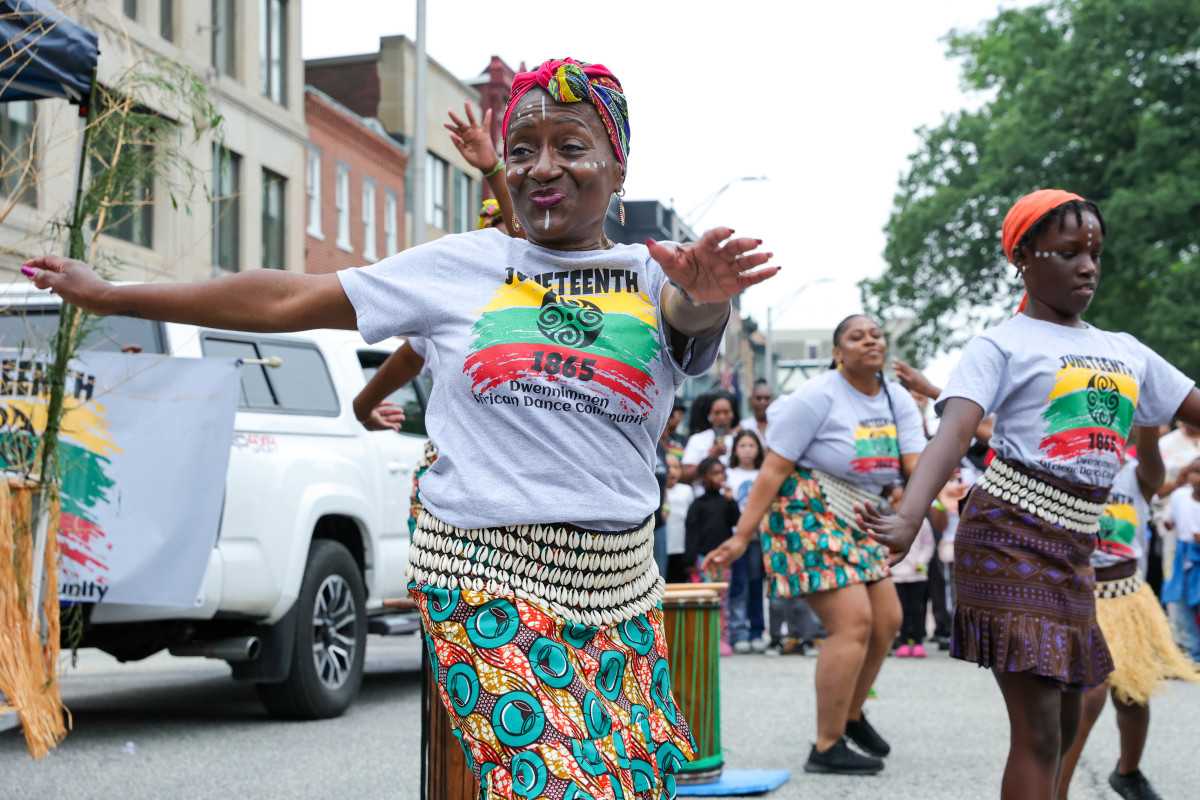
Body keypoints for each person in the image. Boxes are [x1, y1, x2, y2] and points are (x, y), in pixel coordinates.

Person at [22, 56, 780, 798]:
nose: (541, 167)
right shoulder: (461, 267)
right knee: (556, 785)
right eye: (522, 150)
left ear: (618, 167)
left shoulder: (652, 276)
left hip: (619, 587)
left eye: (570, 146)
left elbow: (688, 318)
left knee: (632, 784)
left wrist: (709, 297)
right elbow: (287, 299)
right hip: (487, 576)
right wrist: (117, 295)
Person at [858, 189, 1200, 800]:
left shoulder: (1125, 349)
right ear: (1022, 258)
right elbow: (954, 432)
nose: (1088, 267)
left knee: (1065, 721)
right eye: (1068, 253)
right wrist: (909, 516)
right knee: (1040, 728)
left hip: (1076, 552)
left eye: (1094, 253)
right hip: (1008, 539)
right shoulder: (1002, 344)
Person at [703, 313, 926, 775]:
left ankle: (850, 715)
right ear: (837, 353)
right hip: (805, 508)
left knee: (888, 620)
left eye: (876, 335)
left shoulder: (897, 398)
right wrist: (742, 535)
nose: (870, 341)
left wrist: (913, 517)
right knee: (853, 621)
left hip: (861, 514)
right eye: (856, 337)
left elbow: (916, 466)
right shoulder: (817, 395)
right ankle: (826, 745)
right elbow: (773, 468)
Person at [1058, 427, 1199, 800]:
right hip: (1081, 597)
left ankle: (1128, 773)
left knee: (1133, 696)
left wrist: (1146, 409)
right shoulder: (1066, 470)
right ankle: (1057, 792)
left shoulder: (1140, 474)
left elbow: (1149, 442)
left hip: (1127, 597)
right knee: (1089, 697)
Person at [684, 457, 741, 655]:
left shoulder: (726, 502)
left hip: (723, 561)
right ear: (703, 477)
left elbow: (737, 522)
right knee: (704, 599)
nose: (719, 477)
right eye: (714, 473)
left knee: (722, 601)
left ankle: (722, 639)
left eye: (722, 473)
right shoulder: (698, 504)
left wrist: (731, 501)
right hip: (703, 561)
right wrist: (690, 561)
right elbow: (692, 534)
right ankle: (704, 638)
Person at [725, 431, 766, 653]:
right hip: (735, 537)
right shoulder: (729, 474)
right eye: (742, 445)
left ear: (759, 449)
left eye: (752, 445)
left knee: (756, 584)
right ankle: (739, 632)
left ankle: (756, 632)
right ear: (735, 450)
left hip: (759, 537)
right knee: (739, 585)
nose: (747, 450)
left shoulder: (764, 473)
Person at [884, 481, 934, 658]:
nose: (900, 505)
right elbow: (884, 547)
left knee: (918, 609)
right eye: (896, 501)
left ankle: (918, 641)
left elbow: (928, 545)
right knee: (901, 610)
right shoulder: (888, 523)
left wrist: (921, 561)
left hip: (917, 574)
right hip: (897, 575)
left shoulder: (922, 523)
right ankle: (903, 641)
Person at [1162, 458, 1200, 663]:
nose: (1197, 477)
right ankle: (1193, 655)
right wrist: (1168, 523)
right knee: (1181, 604)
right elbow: (1170, 518)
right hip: (1183, 557)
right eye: (1194, 472)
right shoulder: (1180, 496)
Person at [680, 394, 737, 490]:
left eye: (726, 412)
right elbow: (685, 477)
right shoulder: (697, 439)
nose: (722, 417)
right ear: (710, 415)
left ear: (732, 414)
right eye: (717, 413)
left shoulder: (740, 440)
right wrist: (711, 456)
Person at [664, 453, 693, 584]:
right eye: (668, 467)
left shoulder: (686, 490)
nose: (672, 471)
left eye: (676, 467)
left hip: (681, 548)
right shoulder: (657, 491)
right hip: (660, 547)